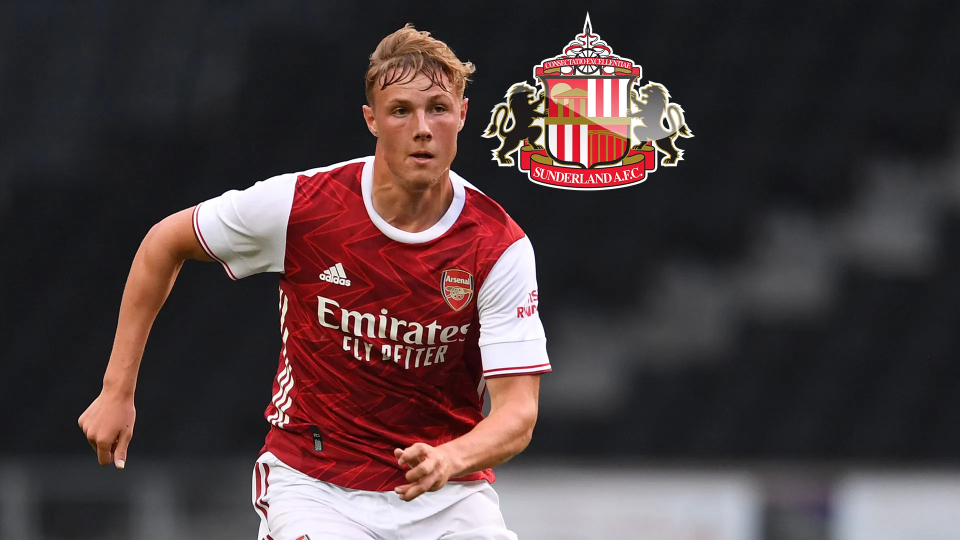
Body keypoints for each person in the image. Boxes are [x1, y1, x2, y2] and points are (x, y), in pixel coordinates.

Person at [78, 24, 549, 540]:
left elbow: (518, 412)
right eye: (400, 111)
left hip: (445, 493)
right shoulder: (302, 206)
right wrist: (116, 390)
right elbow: (163, 243)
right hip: (316, 485)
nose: (422, 128)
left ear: (462, 114)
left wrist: (450, 458)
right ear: (372, 120)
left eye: (438, 108)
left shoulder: (498, 246)